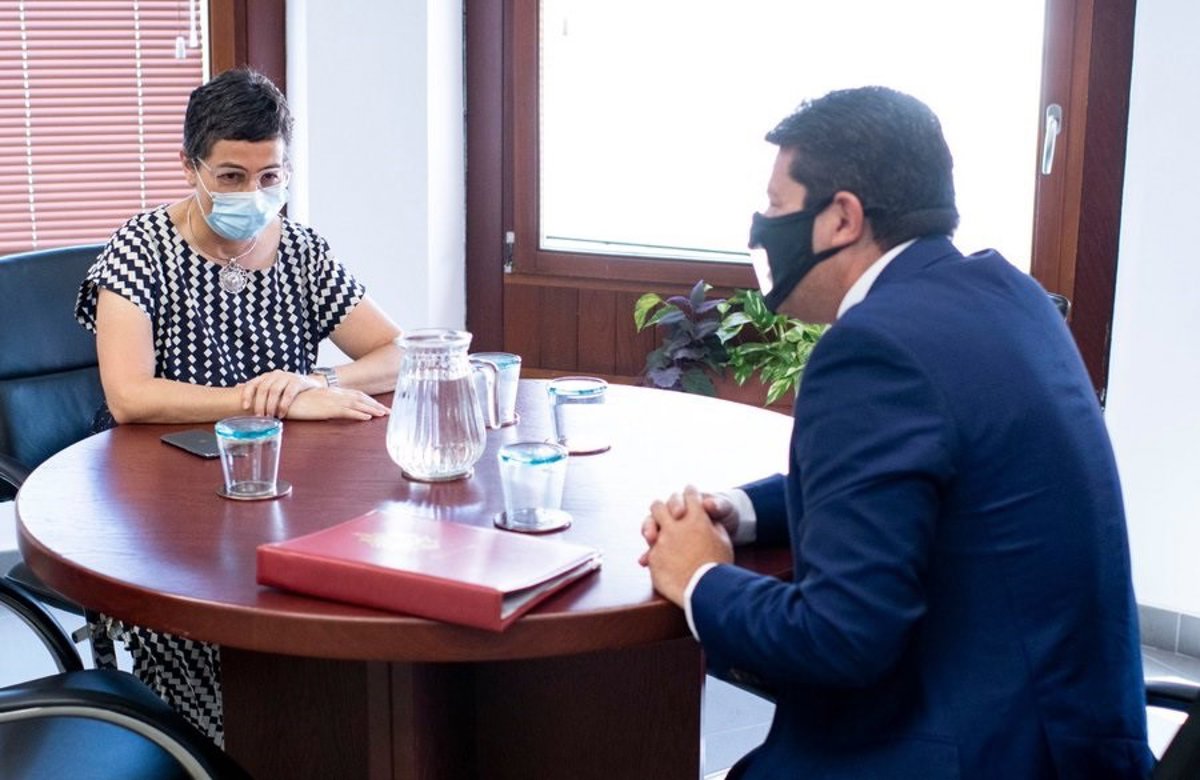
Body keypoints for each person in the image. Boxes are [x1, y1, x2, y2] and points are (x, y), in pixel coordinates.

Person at [640, 87, 1154, 779]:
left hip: (969, 754)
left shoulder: (873, 348)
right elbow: (921, 484)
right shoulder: (1008, 296)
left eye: (776, 205)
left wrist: (700, 577)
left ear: (842, 218)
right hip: (1073, 740)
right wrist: (742, 509)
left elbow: (838, 639)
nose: (762, 227)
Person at [74, 68, 403, 744]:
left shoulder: (301, 251)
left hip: (281, 492)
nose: (253, 194)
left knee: (346, 623)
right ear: (189, 166)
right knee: (217, 646)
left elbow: (397, 351)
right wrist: (263, 400)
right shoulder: (140, 250)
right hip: (165, 505)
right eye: (230, 176)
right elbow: (129, 396)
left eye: (270, 176)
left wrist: (310, 381)